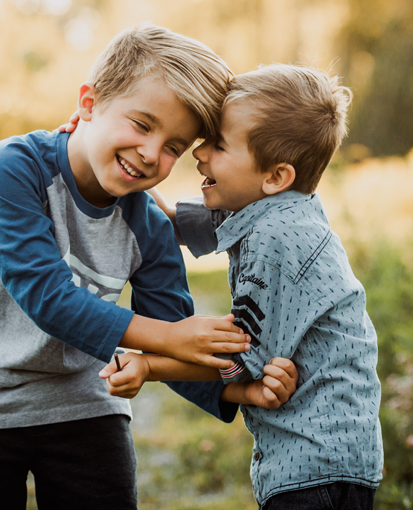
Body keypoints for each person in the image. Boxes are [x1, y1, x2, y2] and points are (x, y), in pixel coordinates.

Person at [0, 24, 299, 510]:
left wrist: (242, 387)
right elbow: (49, 299)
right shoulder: (12, 170)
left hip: (87, 405)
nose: (151, 154)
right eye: (142, 125)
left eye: (174, 147)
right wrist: (172, 337)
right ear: (88, 103)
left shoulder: (148, 222)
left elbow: (173, 339)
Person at [100, 64, 384, 509]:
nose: (200, 153)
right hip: (323, 461)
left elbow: (239, 359)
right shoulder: (272, 208)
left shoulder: (279, 236)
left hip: (315, 465)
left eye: (218, 144)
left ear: (275, 176)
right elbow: (176, 221)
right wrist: (110, 155)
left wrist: (150, 365)